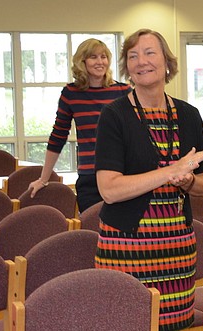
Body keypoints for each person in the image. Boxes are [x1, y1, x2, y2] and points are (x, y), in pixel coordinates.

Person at [94, 29, 203, 331]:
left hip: (175, 242)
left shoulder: (189, 114)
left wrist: (188, 180)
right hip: (127, 244)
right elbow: (109, 188)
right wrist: (169, 171)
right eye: (134, 54)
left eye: (151, 53)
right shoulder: (114, 115)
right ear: (127, 66)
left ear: (167, 63)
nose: (143, 60)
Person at [29, 39, 131, 213]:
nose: (100, 62)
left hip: (122, 174)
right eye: (93, 57)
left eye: (104, 57)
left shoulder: (123, 92)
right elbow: (58, 136)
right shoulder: (71, 93)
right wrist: (43, 179)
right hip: (89, 177)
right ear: (82, 62)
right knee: (92, 231)